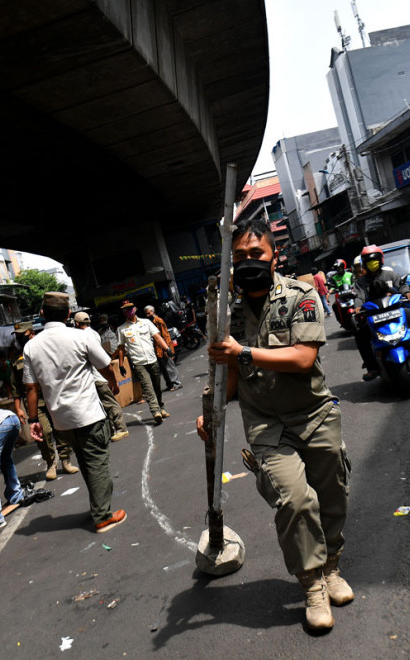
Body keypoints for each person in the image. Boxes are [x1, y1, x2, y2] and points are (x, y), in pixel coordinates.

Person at [195, 220, 352, 631]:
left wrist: (242, 352)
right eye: (240, 257)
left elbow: (302, 358)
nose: (249, 262)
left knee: (331, 495)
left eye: (256, 254)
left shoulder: (301, 295)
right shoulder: (223, 314)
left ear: (273, 256)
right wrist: (211, 411)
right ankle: (312, 585)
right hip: (266, 425)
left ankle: (332, 566)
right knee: (295, 500)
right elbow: (227, 378)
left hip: (314, 415)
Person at [23, 292, 127, 533]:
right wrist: (113, 383)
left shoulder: (31, 346)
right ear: (69, 314)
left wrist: (32, 420)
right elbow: (105, 365)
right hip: (88, 414)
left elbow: (30, 387)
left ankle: (97, 507)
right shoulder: (80, 337)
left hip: (61, 421)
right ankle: (102, 516)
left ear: (41, 314)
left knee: (85, 460)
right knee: (98, 463)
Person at [0, 322, 80, 479]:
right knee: (44, 431)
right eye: (16, 335)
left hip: (53, 396)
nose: (18, 338)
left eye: (21, 334)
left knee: (61, 430)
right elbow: (15, 384)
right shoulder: (16, 357)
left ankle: (66, 460)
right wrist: (18, 407)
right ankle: (51, 463)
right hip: (34, 402)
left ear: (31, 333)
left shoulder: (43, 348)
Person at [353, 244, 410, 381]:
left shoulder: (390, 274)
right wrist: (358, 307)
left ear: (380, 260)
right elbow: (359, 297)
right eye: (369, 261)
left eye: (374, 260)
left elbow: (402, 286)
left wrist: (407, 292)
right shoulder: (360, 282)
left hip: (395, 310)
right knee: (361, 335)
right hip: (373, 315)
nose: (372, 264)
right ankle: (372, 367)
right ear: (364, 264)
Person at [115, 299, 173, 424]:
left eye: (130, 308)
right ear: (123, 312)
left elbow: (157, 337)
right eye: (125, 309)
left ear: (135, 309)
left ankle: (161, 407)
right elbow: (121, 348)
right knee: (148, 387)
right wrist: (121, 364)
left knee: (157, 386)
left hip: (152, 359)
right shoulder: (122, 329)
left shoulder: (146, 323)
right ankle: (155, 411)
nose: (128, 311)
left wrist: (167, 348)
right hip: (138, 363)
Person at [73, 313, 129, 441]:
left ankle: (121, 428)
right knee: (105, 405)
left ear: (76, 324)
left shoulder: (84, 336)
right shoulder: (93, 333)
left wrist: (112, 381)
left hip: (97, 375)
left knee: (108, 403)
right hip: (98, 375)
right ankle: (111, 430)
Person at [145, 304, 182, 391]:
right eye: (146, 314)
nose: (147, 315)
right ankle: (170, 384)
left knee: (169, 366)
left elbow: (165, 335)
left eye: (148, 313)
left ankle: (176, 383)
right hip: (158, 349)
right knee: (164, 368)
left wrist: (168, 348)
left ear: (153, 312)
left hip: (164, 347)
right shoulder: (151, 322)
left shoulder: (158, 321)